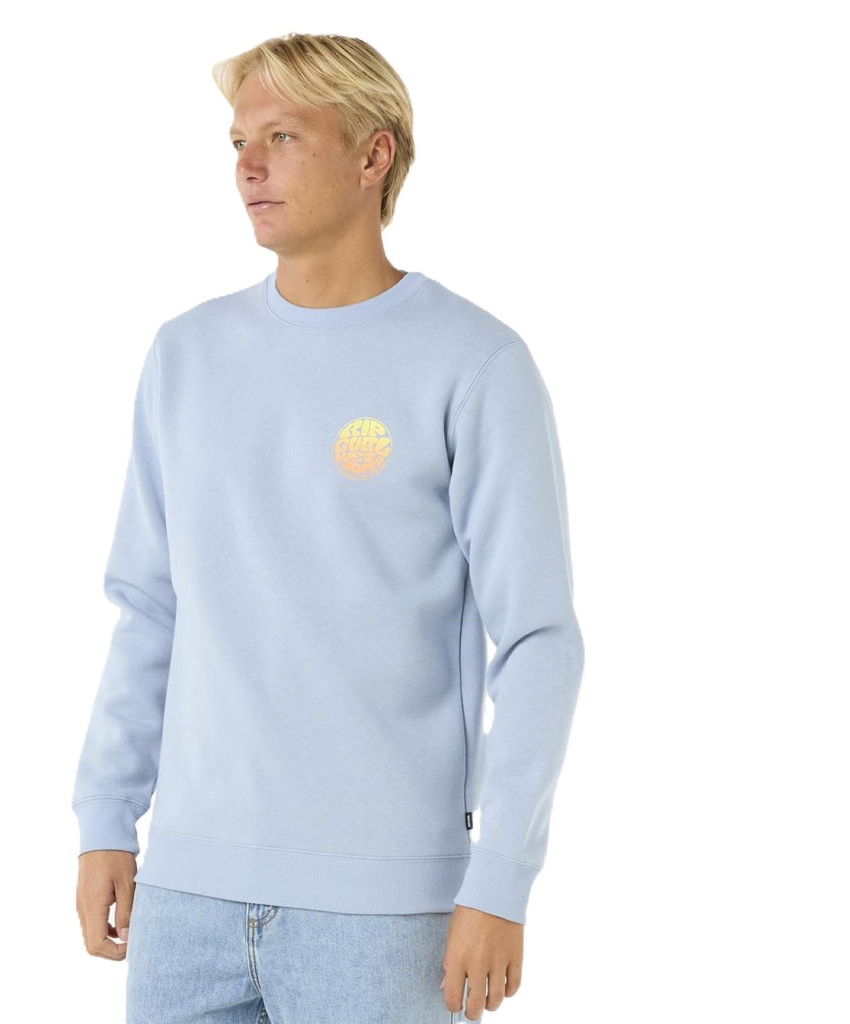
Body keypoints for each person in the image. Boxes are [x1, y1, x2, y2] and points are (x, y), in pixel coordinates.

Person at [72, 31, 585, 1024]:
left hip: (384, 914)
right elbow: (149, 607)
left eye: (282, 136)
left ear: (372, 155)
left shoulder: (473, 364)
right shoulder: (185, 356)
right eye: (237, 141)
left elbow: (537, 640)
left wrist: (499, 880)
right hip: (186, 897)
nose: (247, 167)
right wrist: (105, 815)